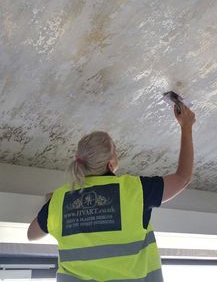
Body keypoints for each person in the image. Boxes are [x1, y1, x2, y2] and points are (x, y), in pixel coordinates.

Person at [28, 103, 196, 282]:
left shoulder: (60, 200)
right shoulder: (135, 190)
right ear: (110, 164)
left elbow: (32, 234)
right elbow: (182, 178)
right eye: (116, 151)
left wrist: (56, 206)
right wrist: (186, 125)